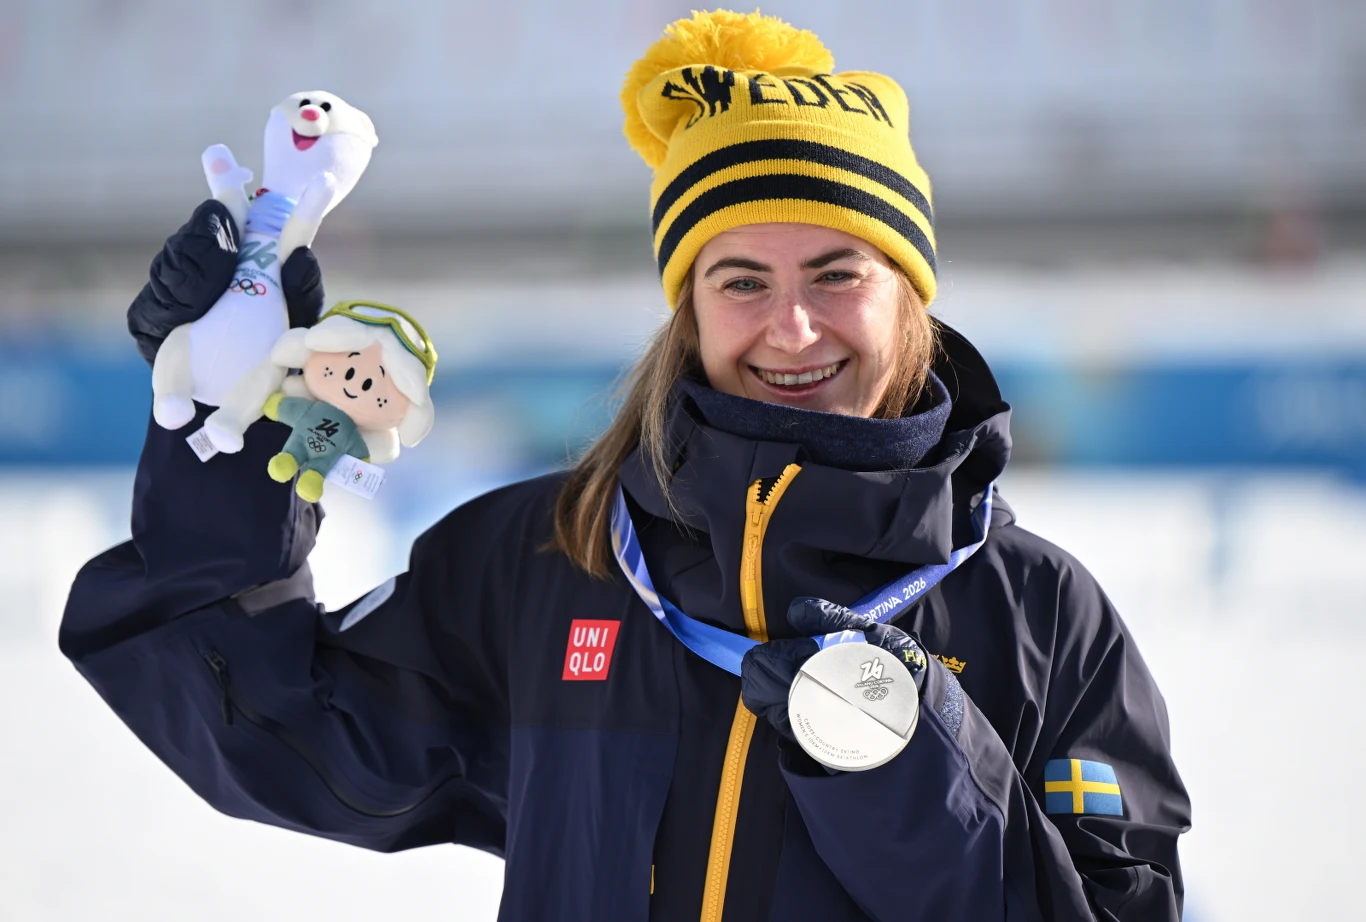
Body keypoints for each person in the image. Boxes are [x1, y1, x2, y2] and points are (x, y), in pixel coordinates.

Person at [59, 10, 1189, 922]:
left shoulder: (1042, 616)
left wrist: (910, 761)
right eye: (740, 279)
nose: (792, 329)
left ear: (911, 295)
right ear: (687, 312)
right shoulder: (552, 559)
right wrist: (228, 422)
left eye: (838, 273)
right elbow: (262, 724)